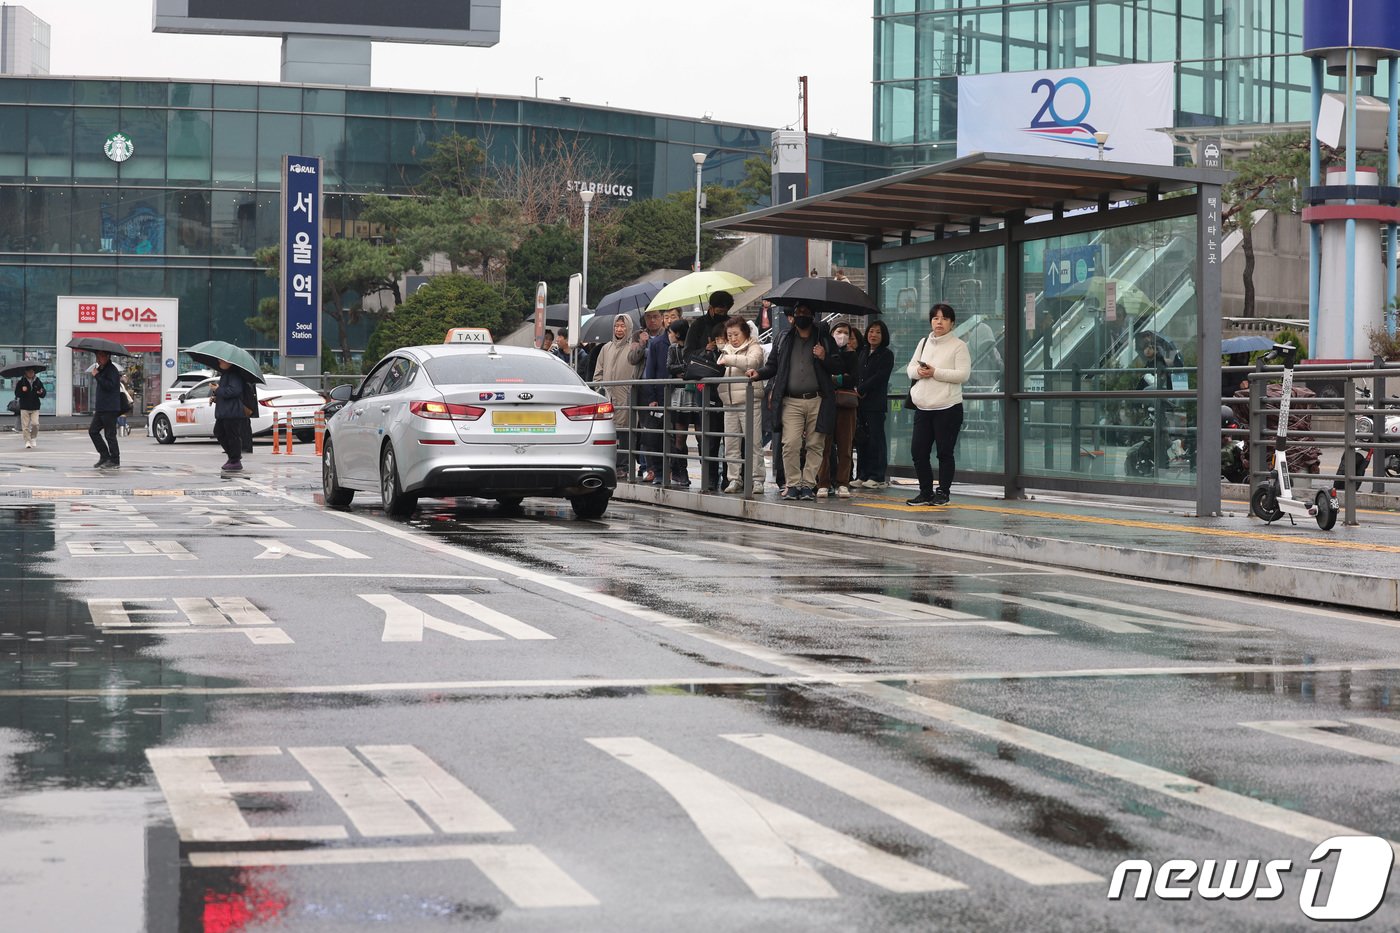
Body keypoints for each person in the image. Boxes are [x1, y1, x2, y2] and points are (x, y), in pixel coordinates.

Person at [747, 302, 838, 501]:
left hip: (818, 399)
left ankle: (808, 485)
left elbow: (837, 366)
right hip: (791, 401)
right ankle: (794, 484)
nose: (801, 316)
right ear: (793, 316)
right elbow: (772, 367)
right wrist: (758, 373)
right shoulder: (783, 338)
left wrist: (824, 357)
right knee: (790, 443)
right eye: (798, 313)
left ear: (813, 316)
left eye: (806, 312)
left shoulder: (824, 339)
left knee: (816, 444)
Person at [907, 303, 970, 506]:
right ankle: (925, 492)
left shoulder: (959, 345)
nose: (939, 322)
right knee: (918, 452)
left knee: (944, 452)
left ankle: (943, 492)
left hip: (948, 408)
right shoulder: (923, 342)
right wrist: (920, 372)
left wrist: (935, 372)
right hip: (923, 407)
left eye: (944, 318)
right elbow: (910, 368)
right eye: (935, 318)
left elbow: (963, 375)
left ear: (952, 322)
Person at [683, 289, 734, 492]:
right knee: (708, 437)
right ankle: (710, 477)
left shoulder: (732, 324)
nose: (722, 312)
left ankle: (730, 478)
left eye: (725, 309)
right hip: (705, 388)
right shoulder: (697, 325)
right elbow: (687, 355)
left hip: (728, 385)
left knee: (731, 437)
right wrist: (707, 349)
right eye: (719, 309)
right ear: (711, 307)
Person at [716, 317, 766, 494]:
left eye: (736, 334)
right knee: (731, 444)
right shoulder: (725, 349)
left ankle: (757, 479)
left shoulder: (754, 347)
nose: (733, 338)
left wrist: (729, 359)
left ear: (745, 332)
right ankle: (734, 479)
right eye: (729, 335)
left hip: (749, 401)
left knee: (753, 442)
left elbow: (752, 363)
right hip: (728, 402)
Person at [815, 320, 860, 499]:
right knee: (823, 446)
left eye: (846, 333)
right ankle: (823, 482)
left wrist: (835, 378)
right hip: (826, 403)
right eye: (839, 331)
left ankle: (843, 482)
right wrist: (840, 375)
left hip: (846, 405)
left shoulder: (852, 354)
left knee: (845, 446)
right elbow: (823, 374)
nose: (842, 335)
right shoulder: (823, 352)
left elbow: (854, 378)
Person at [594, 314, 642, 477]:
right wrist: (601, 388)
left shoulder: (633, 348)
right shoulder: (606, 348)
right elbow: (598, 372)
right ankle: (610, 463)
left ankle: (624, 465)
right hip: (607, 396)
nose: (619, 329)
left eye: (622, 326)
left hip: (626, 395)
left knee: (625, 431)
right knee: (608, 430)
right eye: (617, 326)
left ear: (629, 328)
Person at [854, 320, 894, 487]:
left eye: (878, 332)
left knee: (876, 440)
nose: (873, 335)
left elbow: (880, 377)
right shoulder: (863, 352)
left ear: (883, 335)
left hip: (875, 404)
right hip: (860, 403)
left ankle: (877, 476)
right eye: (871, 331)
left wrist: (861, 389)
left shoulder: (886, 354)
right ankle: (862, 475)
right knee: (862, 439)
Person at [210, 360, 249, 473]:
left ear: (230, 363)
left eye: (222, 361)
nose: (219, 362)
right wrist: (216, 397)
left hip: (232, 412)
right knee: (219, 432)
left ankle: (235, 460)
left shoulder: (234, 375)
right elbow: (225, 393)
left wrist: (218, 389)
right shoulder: (225, 375)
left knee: (232, 436)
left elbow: (234, 391)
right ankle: (232, 457)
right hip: (224, 412)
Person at [87, 350, 123, 470]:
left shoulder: (111, 370)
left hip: (110, 407)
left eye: (101, 356)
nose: (98, 358)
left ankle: (115, 460)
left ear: (107, 356)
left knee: (110, 435)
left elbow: (109, 386)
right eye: (97, 356)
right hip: (101, 407)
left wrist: (97, 375)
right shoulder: (102, 369)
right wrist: (98, 374)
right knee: (93, 431)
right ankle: (104, 456)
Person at [13, 365, 44, 449]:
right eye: (29, 372)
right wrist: (22, 390)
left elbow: (43, 393)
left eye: (32, 372)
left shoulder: (38, 381)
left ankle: (33, 438)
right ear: (26, 373)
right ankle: (27, 441)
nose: (31, 373)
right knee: (25, 426)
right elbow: (17, 394)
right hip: (24, 406)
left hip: (35, 406)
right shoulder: (21, 382)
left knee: (35, 424)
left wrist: (41, 392)